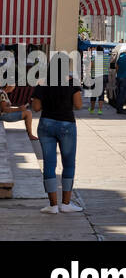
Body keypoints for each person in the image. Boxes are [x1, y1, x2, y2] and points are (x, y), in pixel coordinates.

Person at [32, 78, 83, 213]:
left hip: (46, 124)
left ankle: (53, 205)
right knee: (69, 164)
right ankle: (66, 204)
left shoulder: (42, 83)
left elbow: (36, 107)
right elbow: (78, 105)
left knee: (49, 164)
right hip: (67, 124)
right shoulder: (73, 83)